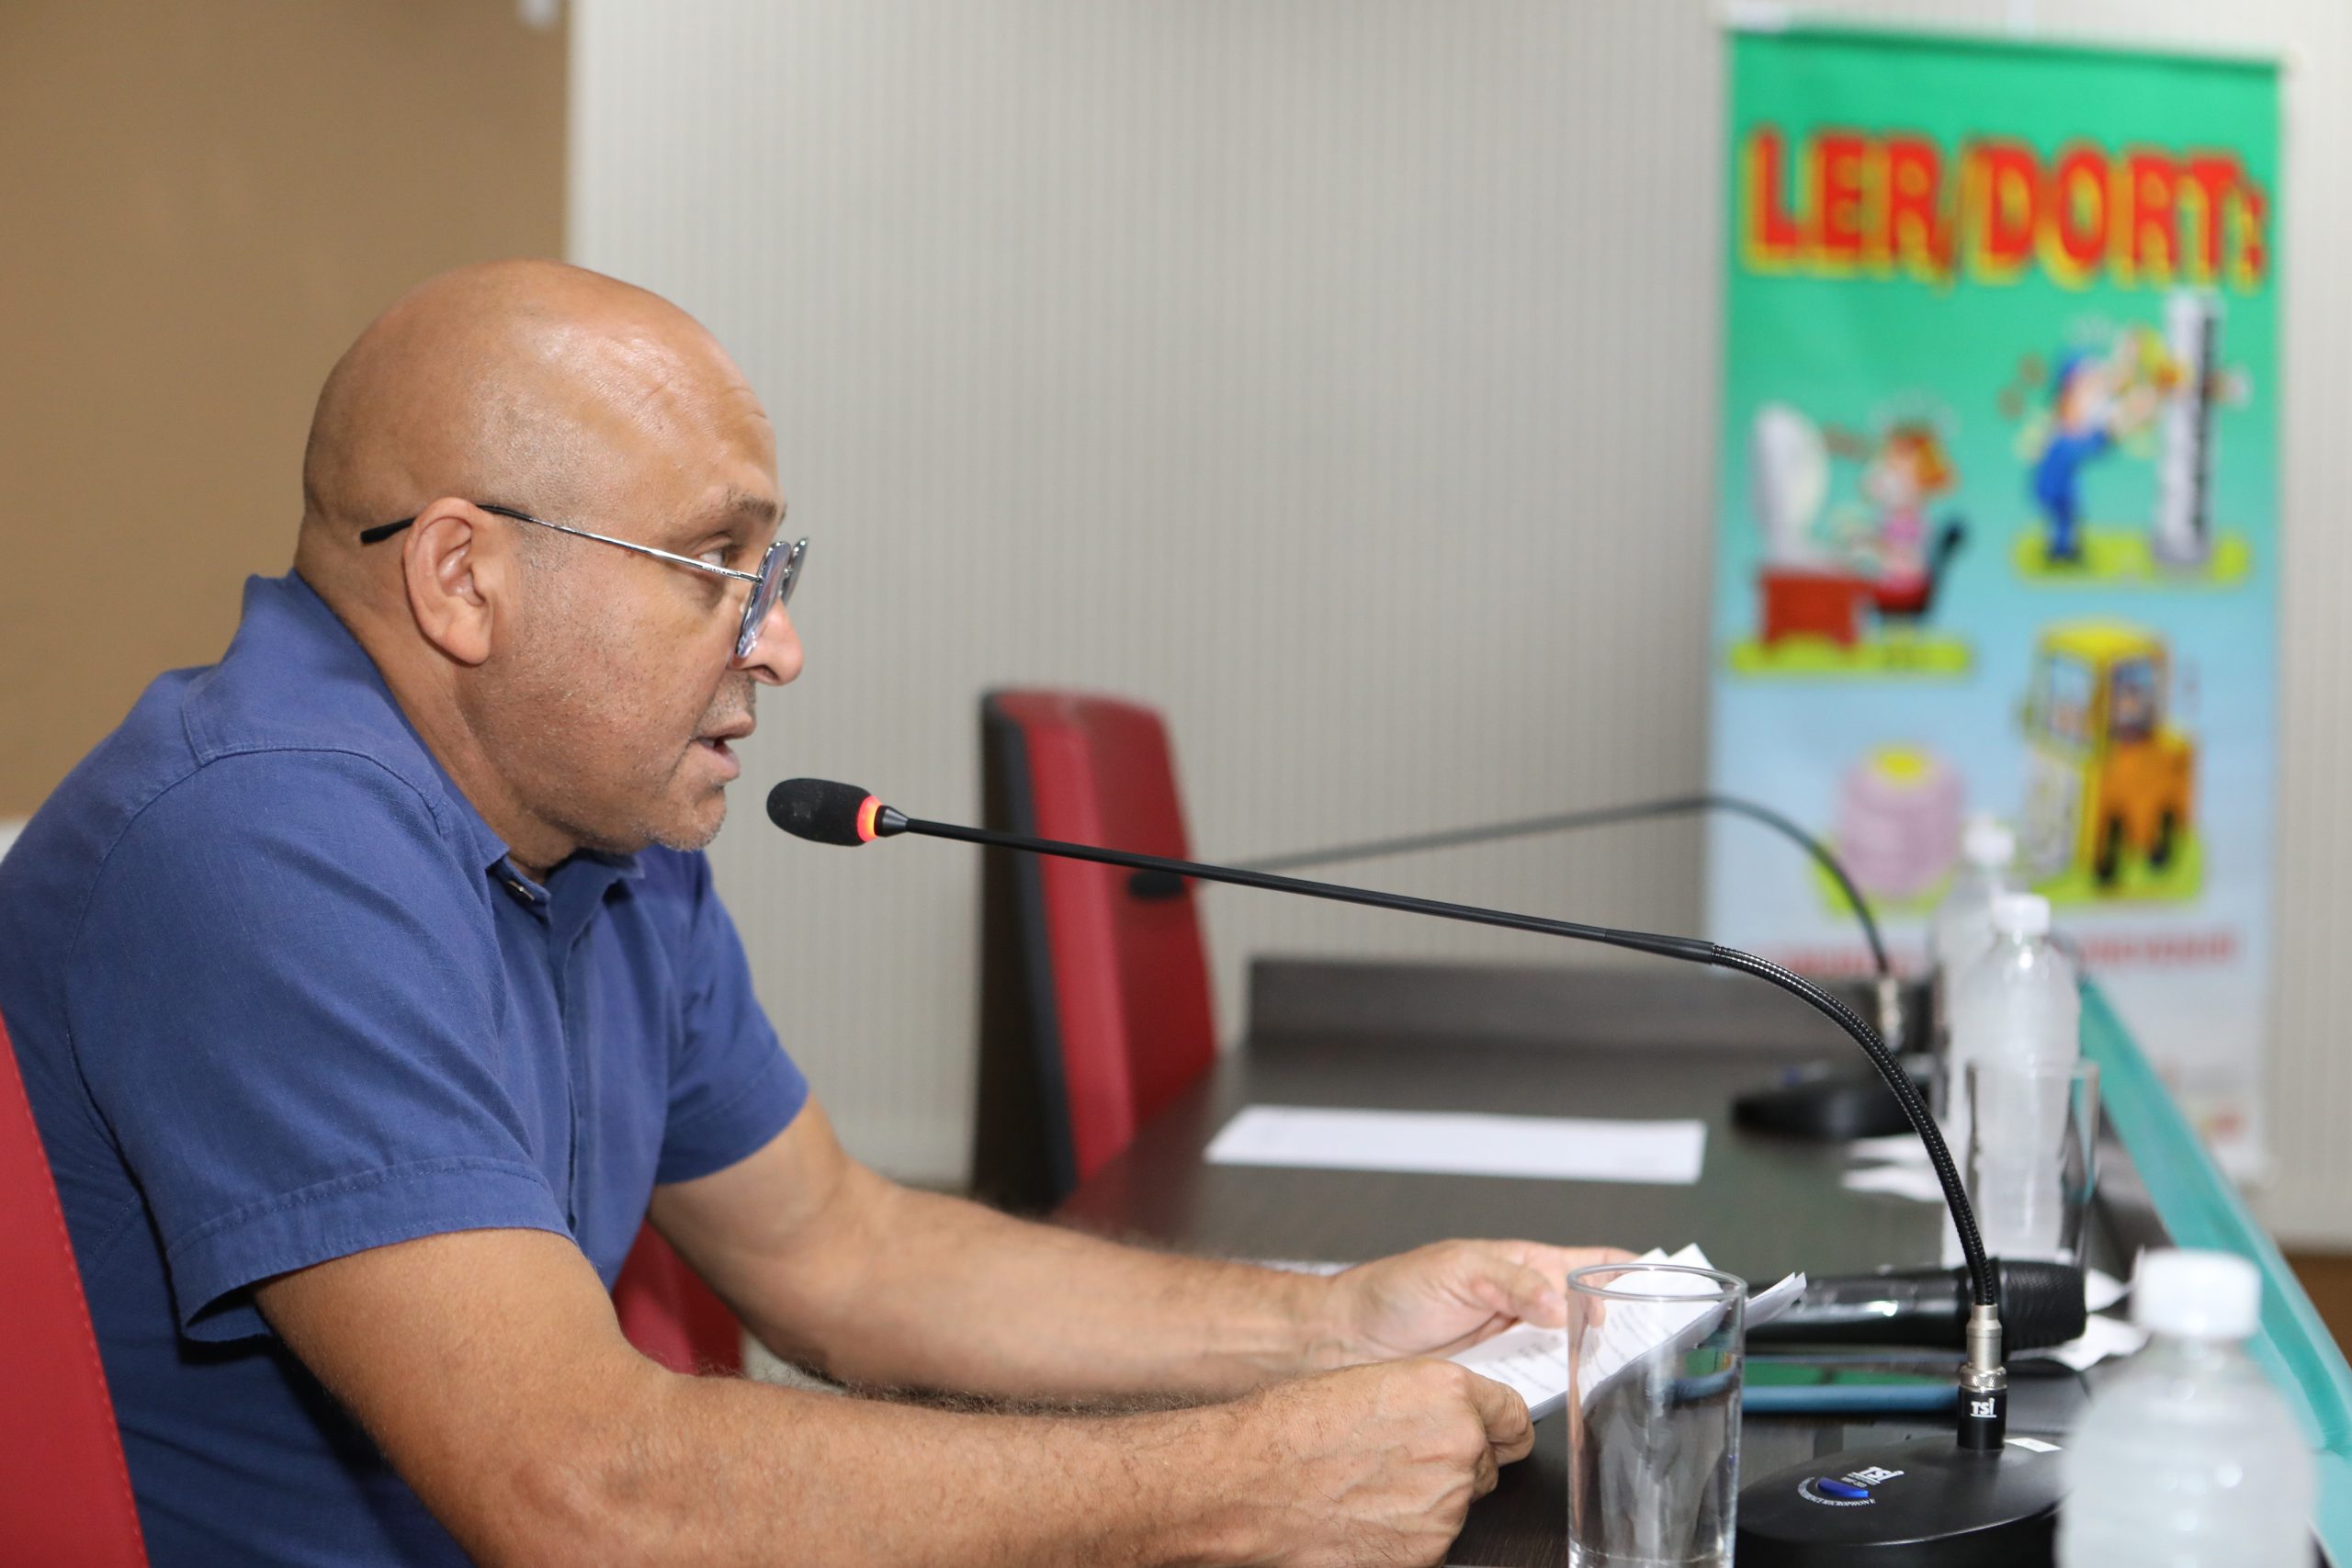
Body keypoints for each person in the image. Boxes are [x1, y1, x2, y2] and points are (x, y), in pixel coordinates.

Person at [0, 260, 1626, 1565]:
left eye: (777, 579)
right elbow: (586, 1492)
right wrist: (1233, 1489)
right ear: (461, 578)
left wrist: (1328, 1330)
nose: (777, 649)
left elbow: (841, 1251)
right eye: (717, 569)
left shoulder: (601, 831)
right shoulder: (259, 838)